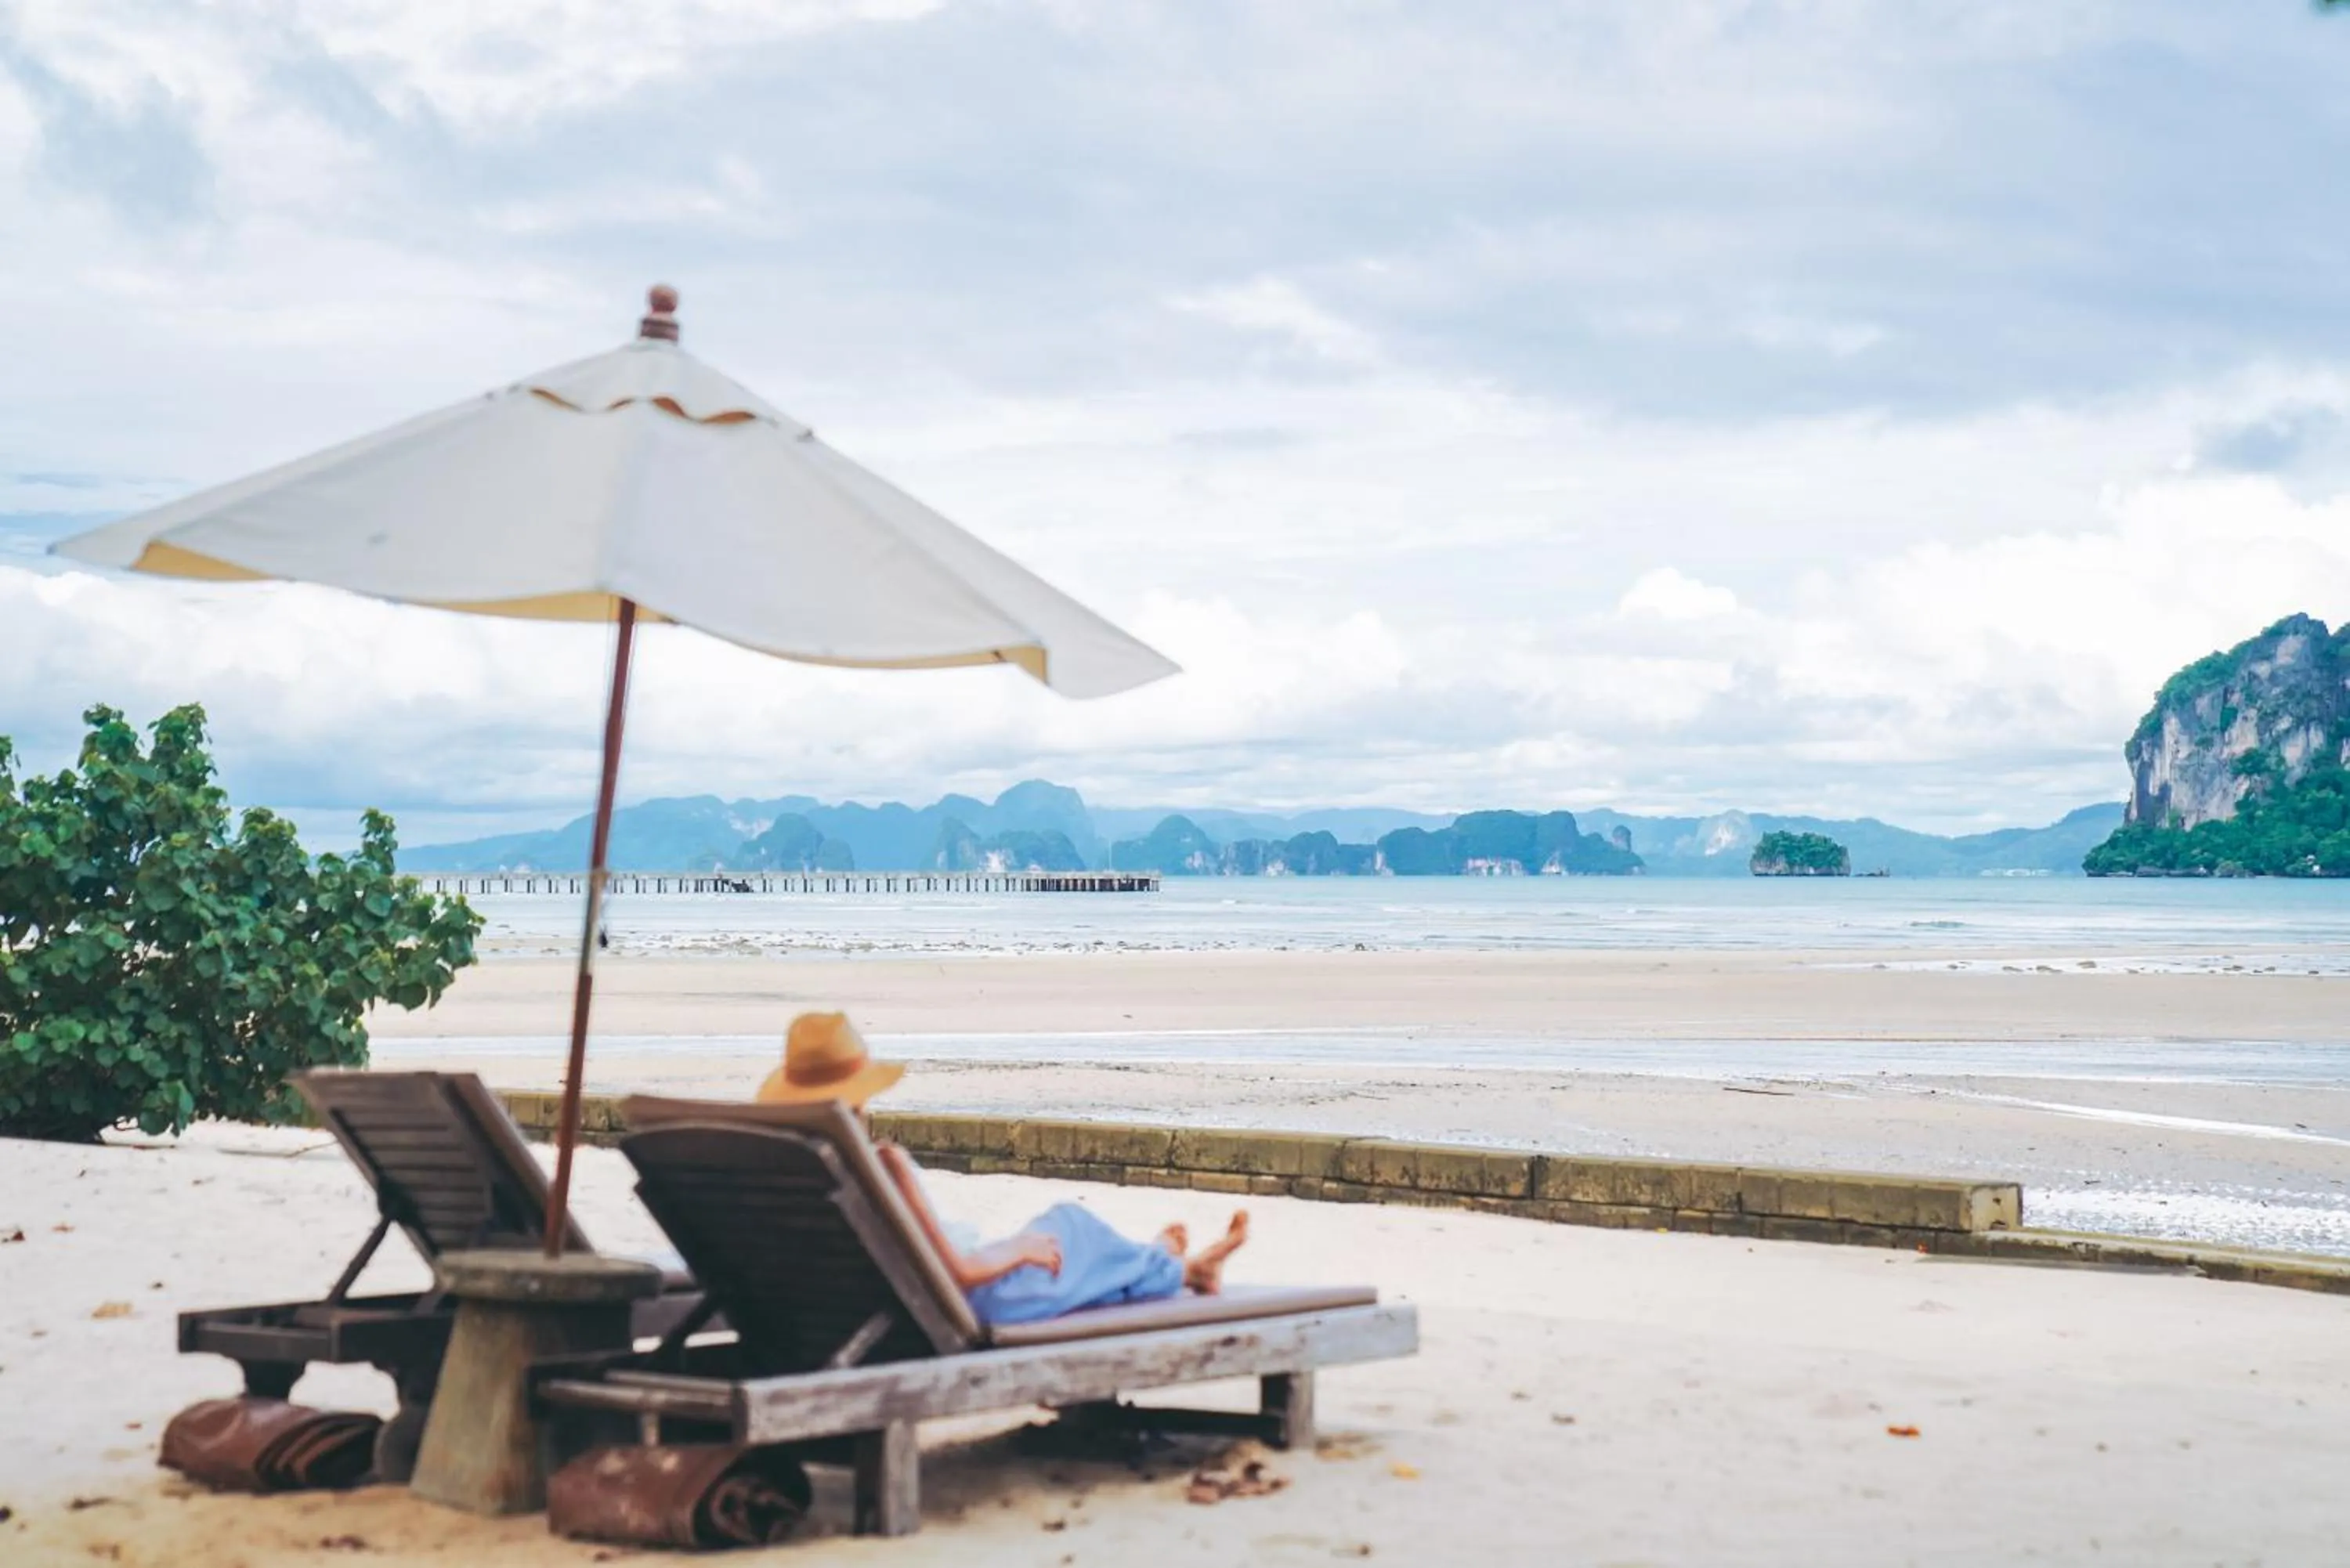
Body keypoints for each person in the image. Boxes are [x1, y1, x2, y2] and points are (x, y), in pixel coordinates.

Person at [756, 1012, 1249, 1326]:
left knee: (1073, 1245)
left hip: (870, 1313)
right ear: (861, 1096)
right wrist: (1018, 1250)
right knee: (1070, 1227)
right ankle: (1182, 1265)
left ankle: (1167, 1260)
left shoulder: (785, 1173)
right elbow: (959, 1272)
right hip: (976, 1304)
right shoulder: (884, 1163)